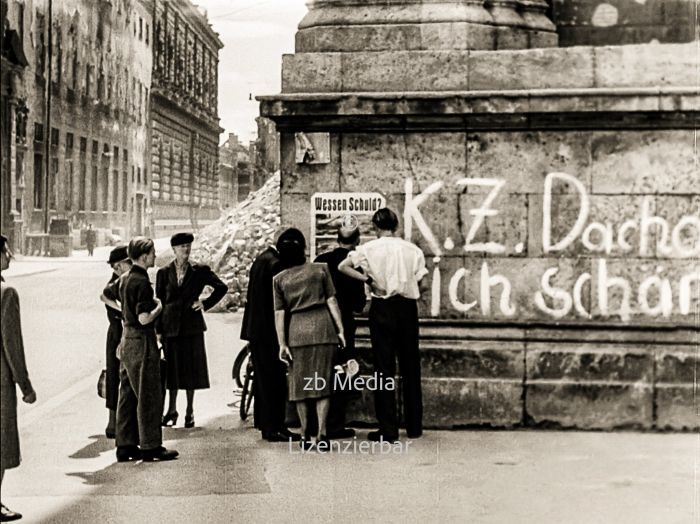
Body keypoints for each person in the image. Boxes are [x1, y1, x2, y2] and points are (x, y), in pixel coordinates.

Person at [339, 208, 428, 443]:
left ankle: (388, 429)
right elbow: (423, 280)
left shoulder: (368, 249)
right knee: (410, 366)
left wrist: (368, 279)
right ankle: (414, 425)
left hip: (382, 309)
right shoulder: (413, 250)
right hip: (407, 309)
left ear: (376, 227)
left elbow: (343, 266)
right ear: (396, 225)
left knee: (383, 368)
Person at [103, 237, 178, 462]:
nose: (155, 256)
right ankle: (150, 446)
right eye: (153, 253)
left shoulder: (124, 278)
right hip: (142, 341)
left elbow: (106, 295)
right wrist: (159, 307)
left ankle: (125, 445)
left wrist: (122, 313)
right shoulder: (142, 282)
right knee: (149, 394)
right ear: (144, 256)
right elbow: (144, 319)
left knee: (127, 394)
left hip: (126, 339)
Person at [273, 230, 346, 450]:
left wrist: (282, 344)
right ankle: (322, 434)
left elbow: (279, 314)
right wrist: (340, 330)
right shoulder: (321, 270)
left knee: (300, 386)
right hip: (323, 328)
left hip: (297, 332)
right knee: (321, 382)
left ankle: (305, 433)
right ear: (304, 250)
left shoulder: (279, 279)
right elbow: (332, 301)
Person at [157, 232, 227, 428]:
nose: (185, 250)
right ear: (174, 250)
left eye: (188, 246)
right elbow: (160, 303)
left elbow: (222, 287)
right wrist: (158, 331)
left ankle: (189, 411)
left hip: (191, 327)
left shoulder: (200, 270)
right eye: (181, 247)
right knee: (171, 370)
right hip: (170, 327)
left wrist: (204, 303)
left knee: (190, 370)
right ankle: (171, 410)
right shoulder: (164, 273)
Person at [240, 229, 301, 443]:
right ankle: (275, 427)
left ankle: (265, 423)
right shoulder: (276, 264)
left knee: (263, 379)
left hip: (256, 329)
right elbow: (278, 303)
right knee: (274, 380)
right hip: (269, 331)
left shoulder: (262, 258)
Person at [313, 217, 366, 439]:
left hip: (320, 323)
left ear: (336, 238)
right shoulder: (354, 266)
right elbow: (359, 305)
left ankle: (318, 424)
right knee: (342, 372)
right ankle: (335, 424)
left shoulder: (320, 260)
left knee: (320, 372)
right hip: (344, 324)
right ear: (357, 240)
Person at [1, 234, 37, 522]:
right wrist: (25, 385)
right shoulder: (6, 294)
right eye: (5, 251)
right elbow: (13, 345)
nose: (10, 255)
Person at [99, 246, 132, 439]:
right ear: (119, 266)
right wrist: (122, 311)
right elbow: (103, 295)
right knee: (114, 377)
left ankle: (120, 420)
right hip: (117, 333)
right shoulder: (116, 283)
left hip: (124, 331)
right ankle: (112, 421)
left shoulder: (127, 280)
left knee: (123, 377)